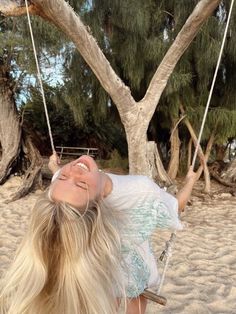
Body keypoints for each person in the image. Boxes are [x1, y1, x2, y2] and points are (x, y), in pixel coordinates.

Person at [0, 153, 197, 314]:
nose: (74, 170)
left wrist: (55, 167)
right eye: (80, 184)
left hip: (103, 269)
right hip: (128, 267)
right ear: (98, 207)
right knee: (135, 298)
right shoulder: (141, 191)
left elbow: (60, 176)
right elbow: (177, 206)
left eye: (63, 177)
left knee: (107, 297)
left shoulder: (60, 191)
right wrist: (189, 181)